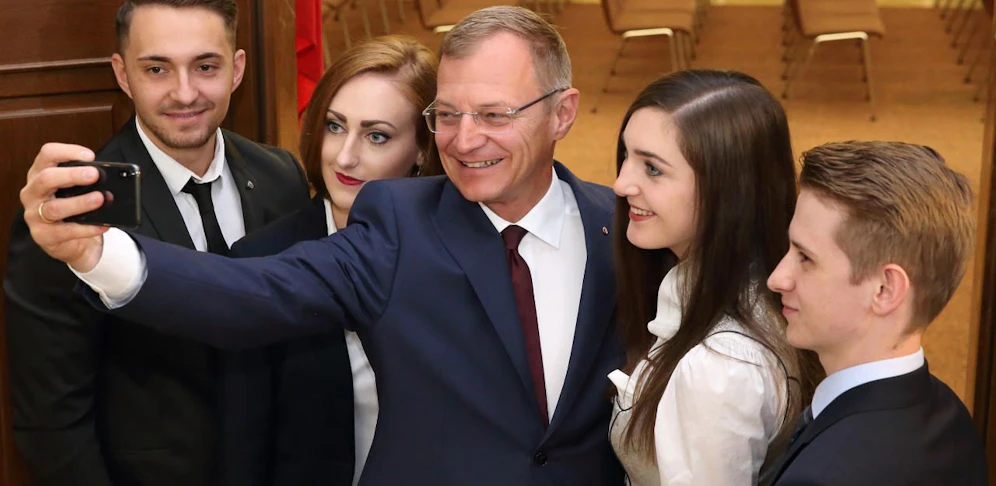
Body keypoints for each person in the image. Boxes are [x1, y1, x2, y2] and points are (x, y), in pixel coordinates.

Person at [20, 6, 625, 485]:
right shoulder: (397, 221)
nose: (464, 141)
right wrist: (96, 255)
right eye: (448, 114)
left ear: (563, 113)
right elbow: (251, 291)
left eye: (493, 114)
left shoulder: (619, 226)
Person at [2, 2, 310, 485]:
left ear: (237, 70)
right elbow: (52, 422)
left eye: (206, 66)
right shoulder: (71, 213)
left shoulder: (282, 177)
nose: (184, 93)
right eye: (157, 68)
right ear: (123, 75)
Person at [219, 35, 441, 486]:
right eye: (336, 126)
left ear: (422, 151)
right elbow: (242, 449)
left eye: (376, 136)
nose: (344, 156)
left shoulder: (459, 252)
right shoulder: (261, 259)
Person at [608, 69, 813, 485]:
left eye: (652, 169)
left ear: (728, 190)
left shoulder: (721, 369)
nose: (620, 183)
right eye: (626, 156)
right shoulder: (757, 287)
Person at [760, 141, 987, 485]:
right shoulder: (953, 418)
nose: (777, 279)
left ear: (884, 290)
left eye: (805, 258)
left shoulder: (820, 476)